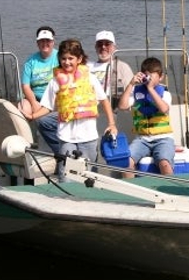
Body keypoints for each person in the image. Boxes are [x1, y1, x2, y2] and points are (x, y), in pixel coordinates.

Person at [25, 38, 117, 182]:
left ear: (79, 59)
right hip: (66, 137)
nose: (67, 62)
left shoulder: (91, 79)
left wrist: (111, 124)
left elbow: (104, 100)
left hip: (88, 138)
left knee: (89, 177)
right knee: (66, 176)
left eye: (70, 58)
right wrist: (32, 116)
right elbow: (47, 107)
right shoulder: (55, 81)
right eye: (63, 59)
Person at [117, 57, 175, 177]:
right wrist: (131, 84)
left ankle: (170, 190)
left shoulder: (165, 94)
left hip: (163, 139)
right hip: (142, 139)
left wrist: (150, 88)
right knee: (126, 163)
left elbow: (164, 109)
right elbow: (122, 106)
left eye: (152, 77)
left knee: (165, 163)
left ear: (161, 77)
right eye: (147, 77)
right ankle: (129, 191)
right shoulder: (136, 93)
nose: (149, 80)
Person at [19, 26, 60, 155]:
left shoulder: (59, 56)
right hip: (36, 97)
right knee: (23, 108)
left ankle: (55, 141)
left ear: (53, 42)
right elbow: (25, 85)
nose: (45, 44)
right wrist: (33, 103)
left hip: (54, 97)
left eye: (48, 41)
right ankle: (29, 145)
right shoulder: (31, 61)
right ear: (37, 43)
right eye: (42, 41)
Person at [87, 30, 133, 104]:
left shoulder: (123, 67)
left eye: (107, 44)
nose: (103, 47)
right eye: (99, 44)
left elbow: (131, 92)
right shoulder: (87, 66)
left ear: (114, 47)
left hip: (112, 105)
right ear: (95, 47)